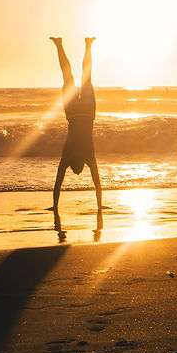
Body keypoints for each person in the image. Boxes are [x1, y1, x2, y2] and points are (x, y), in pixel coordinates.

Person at [50, 37, 102, 228]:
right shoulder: (68, 156)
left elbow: (97, 184)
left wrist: (100, 205)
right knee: (69, 76)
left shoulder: (86, 156)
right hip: (73, 113)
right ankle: (60, 44)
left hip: (87, 113)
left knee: (84, 77)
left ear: (79, 165)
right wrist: (55, 205)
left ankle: (86, 45)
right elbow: (57, 185)